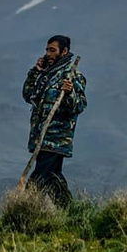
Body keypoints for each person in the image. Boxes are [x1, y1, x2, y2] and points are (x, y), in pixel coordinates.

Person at [22, 34, 87, 207]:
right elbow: (28, 95)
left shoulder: (72, 76)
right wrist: (35, 72)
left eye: (52, 50)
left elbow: (79, 106)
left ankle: (25, 209)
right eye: (47, 50)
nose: (48, 54)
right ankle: (72, 214)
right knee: (54, 178)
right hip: (41, 137)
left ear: (64, 51)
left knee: (38, 179)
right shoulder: (45, 76)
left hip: (56, 138)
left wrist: (70, 93)